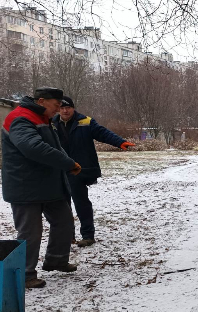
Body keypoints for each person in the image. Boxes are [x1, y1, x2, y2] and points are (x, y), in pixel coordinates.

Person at [1, 88, 81, 288]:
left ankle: (56, 260)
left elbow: (54, 147)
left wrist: (67, 162)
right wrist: (67, 163)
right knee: (30, 232)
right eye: (56, 105)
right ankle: (26, 274)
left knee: (64, 222)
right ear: (42, 101)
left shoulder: (43, 117)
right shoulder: (20, 118)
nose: (59, 109)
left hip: (48, 185)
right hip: (25, 186)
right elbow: (33, 148)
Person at [53, 96, 134, 246]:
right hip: (59, 170)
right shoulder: (51, 124)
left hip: (77, 170)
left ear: (73, 108)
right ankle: (67, 236)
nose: (65, 110)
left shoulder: (86, 122)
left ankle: (88, 236)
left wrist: (120, 142)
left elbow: (103, 133)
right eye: (62, 108)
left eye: (68, 107)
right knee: (63, 206)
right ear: (58, 109)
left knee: (82, 203)